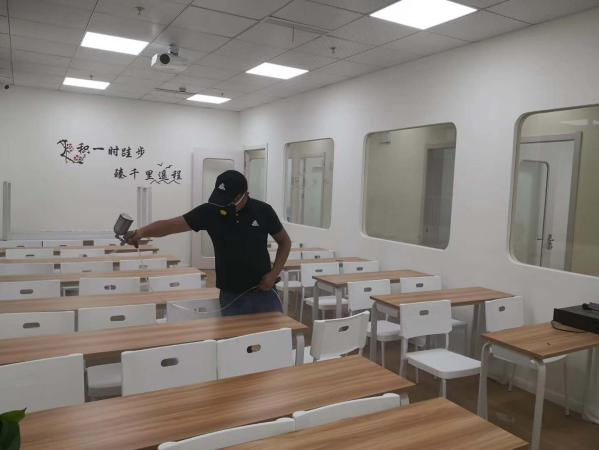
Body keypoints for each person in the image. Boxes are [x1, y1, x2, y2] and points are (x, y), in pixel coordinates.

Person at [127, 170, 292, 316]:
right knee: (235, 340)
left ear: (244, 195)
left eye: (230, 200)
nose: (225, 205)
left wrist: (273, 274)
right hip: (231, 294)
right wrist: (141, 232)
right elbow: (171, 225)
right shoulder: (210, 211)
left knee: (275, 337)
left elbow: (285, 242)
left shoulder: (263, 211)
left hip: (264, 291)